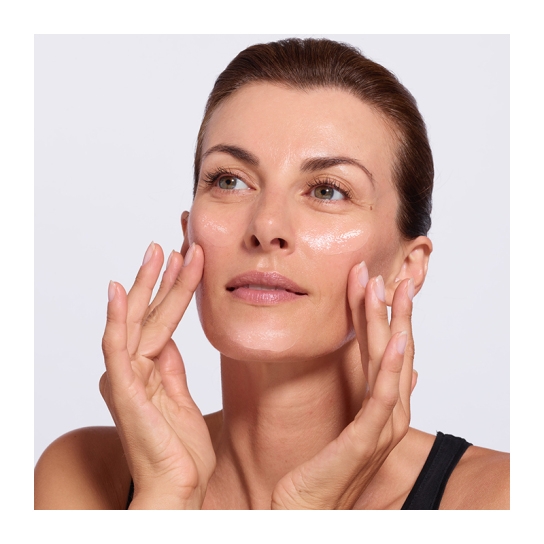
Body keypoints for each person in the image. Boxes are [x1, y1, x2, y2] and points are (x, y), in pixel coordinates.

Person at [34, 37, 509, 510]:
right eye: (230, 181)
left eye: (327, 190)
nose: (265, 227)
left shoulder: (500, 499)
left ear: (408, 266)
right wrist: (165, 496)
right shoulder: (83, 478)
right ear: (189, 234)